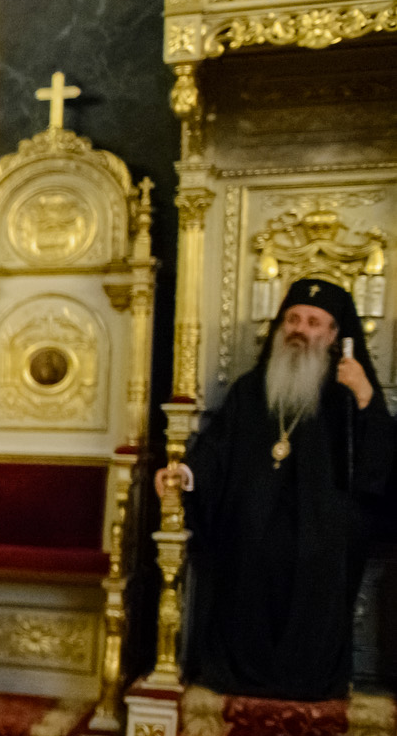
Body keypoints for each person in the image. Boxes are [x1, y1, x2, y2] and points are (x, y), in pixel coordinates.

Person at [164, 277, 395, 700]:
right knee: (246, 555)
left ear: (332, 335)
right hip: (249, 540)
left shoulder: (349, 394)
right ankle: (236, 676)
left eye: (313, 322)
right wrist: (186, 474)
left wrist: (365, 397)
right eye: (293, 319)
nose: (300, 330)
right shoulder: (250, 391)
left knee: (315, 562)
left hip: (320, 542)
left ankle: (305, 683)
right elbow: (216, 449)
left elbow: (378, 466)